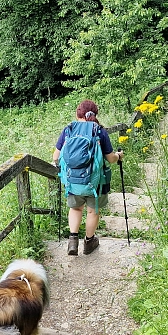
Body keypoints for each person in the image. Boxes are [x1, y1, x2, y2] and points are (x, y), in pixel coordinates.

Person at [53, 99, 124, 255]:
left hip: (73, 181)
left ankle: (72, 241)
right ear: (95, 113)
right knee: (92, 212)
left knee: (76, 208)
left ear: (77, 113)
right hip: (96, 182)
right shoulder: (99, 131)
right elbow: (110, 158)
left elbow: (56, 157)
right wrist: (119, 156)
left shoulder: (68, 130)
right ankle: (89, 242)